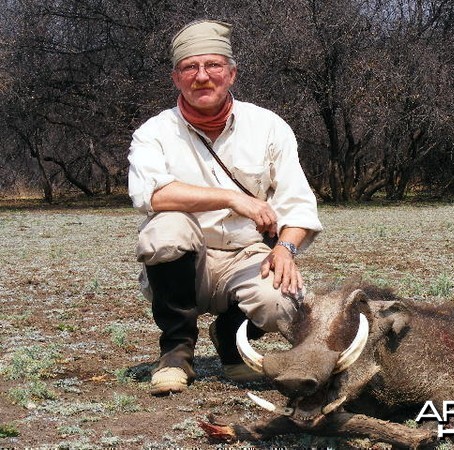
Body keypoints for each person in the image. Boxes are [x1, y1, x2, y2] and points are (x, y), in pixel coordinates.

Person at [127, 19, 322, 396]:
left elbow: (298, 203)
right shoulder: (154, 131)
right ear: (176, 78)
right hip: (188, 258)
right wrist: (233, 198)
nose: (202, 76)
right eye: (190, 67)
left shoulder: (268, 126)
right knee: (164, 228)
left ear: (231, 74)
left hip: (246, 253)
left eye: (213, 66)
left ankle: (231, 340)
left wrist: (286, 248)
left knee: (287, 304)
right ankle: (175, 353)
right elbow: (152, 195)